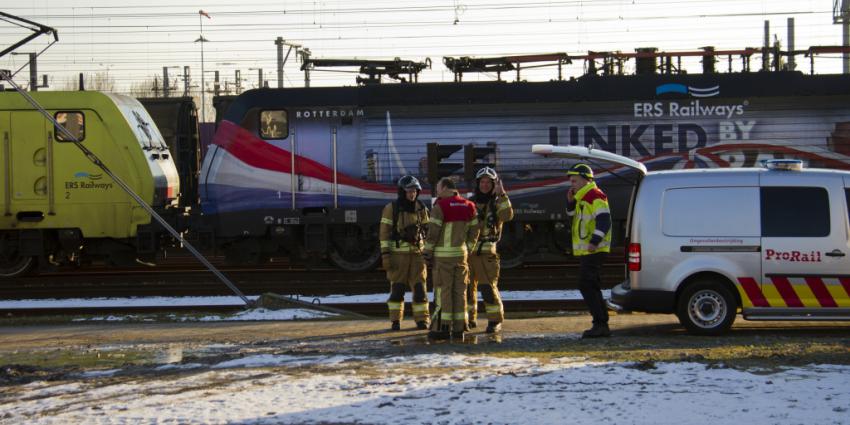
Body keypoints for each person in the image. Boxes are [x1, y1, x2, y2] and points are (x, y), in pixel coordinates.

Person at [424, 177, 479, 340]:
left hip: (443, 258)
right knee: (460, 291)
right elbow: (475, 231)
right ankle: (459, 328)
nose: (436, 192)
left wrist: (427, 253)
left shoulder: (440, 206)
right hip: (461, 256)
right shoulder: (469, 205)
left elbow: (433, 233)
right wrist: (468, 248)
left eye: (438, 188)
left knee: (443, 292)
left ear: (445, 188)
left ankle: (442, 328)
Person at [566, 163, 612, 338]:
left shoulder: (595, 195)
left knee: (586, 285)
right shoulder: (582, 196)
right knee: (591, 285)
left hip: (594, 249)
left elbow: (604, 220)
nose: (572, 184)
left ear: (586, 180)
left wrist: (594, 241)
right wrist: (570, 203)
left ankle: (600, 324)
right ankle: (601, 323)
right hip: (589, 250)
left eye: (575, 181)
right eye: (571, 181)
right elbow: (573, 218)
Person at [379, 175, 430, 331]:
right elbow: (384, 234)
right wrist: (386, 256)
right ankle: (395, 321)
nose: (412, 194)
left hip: (417, 256)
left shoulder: (421, 208)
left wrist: (428, 253)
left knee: (420, 290)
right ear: (402, 192)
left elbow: (428, 232)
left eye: (414, 191)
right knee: (397, 290)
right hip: (398, 257)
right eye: (408, 191)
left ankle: (422, 320)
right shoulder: (391, 209)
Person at [467, 167, 514, 333]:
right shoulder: (470, 202)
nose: (485, 185)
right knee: (467, 289)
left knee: (487, 288)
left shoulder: (497, 202)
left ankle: (495, 321)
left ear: (494, 184)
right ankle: (469, 319)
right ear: (478, 183)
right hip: (469, 253)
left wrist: (502, 195)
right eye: (482, 182)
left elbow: (507, 216)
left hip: (487, 253)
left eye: (489, 182)